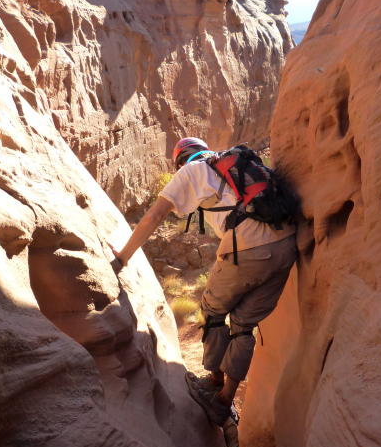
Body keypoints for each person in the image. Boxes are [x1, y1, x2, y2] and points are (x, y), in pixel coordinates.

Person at [108, 137, 297, 427]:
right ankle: (225, 401)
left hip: (248, 247)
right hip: (287, 246)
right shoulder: (237, 165)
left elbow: (156, 215)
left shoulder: (192, 170)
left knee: (212, 310)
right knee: (244, 324)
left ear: (181, 159)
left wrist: (121, 258)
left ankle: (213, 384)